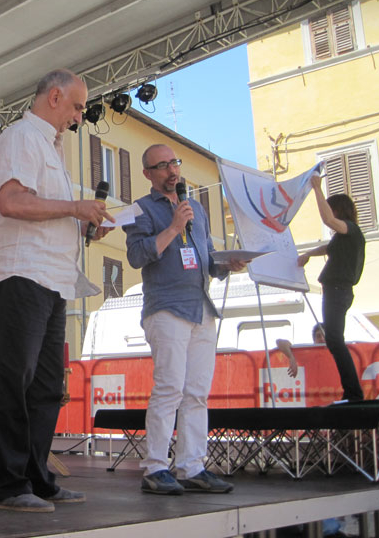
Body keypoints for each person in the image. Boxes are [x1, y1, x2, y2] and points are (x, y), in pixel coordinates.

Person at [0, 69, 114, 513]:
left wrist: (81, 224)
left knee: (44, 388)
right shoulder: (21, 136)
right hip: (24, 274)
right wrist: (74, 207)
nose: (79, 118)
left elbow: (42, 209)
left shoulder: (51, 148)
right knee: (14, 381)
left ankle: (36, 479)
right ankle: (6, 485)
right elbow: (12, 202)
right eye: (77, 107)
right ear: (55, 96)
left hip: (54, 280)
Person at [125, 144, 247, 496]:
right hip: (166, 309)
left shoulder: (196, 210)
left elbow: (206, 259)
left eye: (173, 163)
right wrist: (173, 226)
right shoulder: (142, 210)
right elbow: (137, 256)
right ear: (148, 174)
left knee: (196, 393)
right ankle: (155, 467)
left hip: (201, 308)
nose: (171, 171)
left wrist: (227, 264)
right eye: (161, 166)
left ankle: (192, 465)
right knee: (169, 389)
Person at [297, 176, 365, 402]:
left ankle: (353, 392)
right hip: (336, 291)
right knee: (335, 340)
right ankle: (352, 391)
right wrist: (308, 254)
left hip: (338, 290)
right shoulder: (344, 237)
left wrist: (316, 188)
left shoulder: (350, 230)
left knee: (335, 340)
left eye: (332, 208)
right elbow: (327, 247)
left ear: (339, 210)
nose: (330, 212)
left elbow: (327, 219)